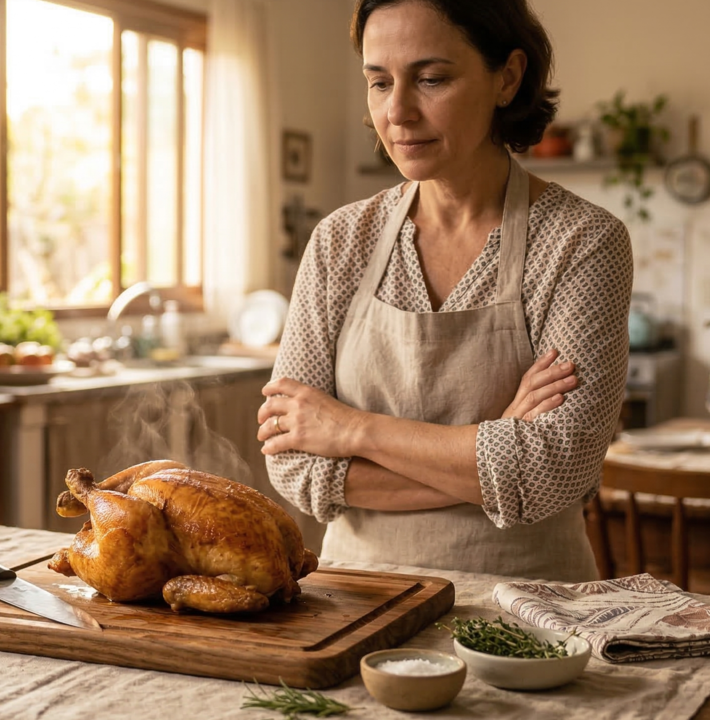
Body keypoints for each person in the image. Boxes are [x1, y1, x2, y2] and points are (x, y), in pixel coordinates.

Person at [257, 0, 631, 582]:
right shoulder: (339, 241)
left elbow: (556, 468)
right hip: (355, 600)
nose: (398, 112)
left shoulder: (581, 241)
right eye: (379, 82)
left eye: (430, 79)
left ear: (507, 77)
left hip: (531, 610)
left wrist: (353, 430)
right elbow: (295, 466)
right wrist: (493, 446)